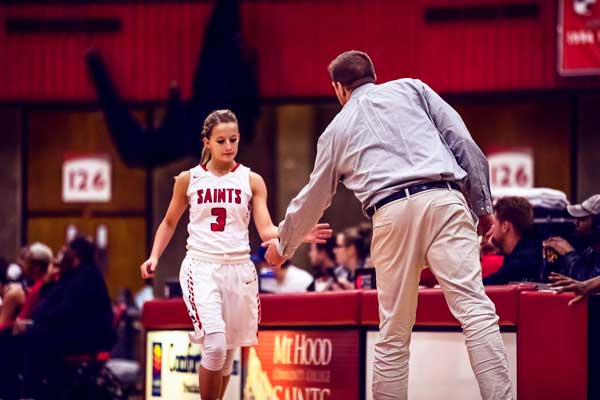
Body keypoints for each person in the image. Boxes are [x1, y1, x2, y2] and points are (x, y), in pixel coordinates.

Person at [264, 50, 512, 399]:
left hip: (390, 210)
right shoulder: (413, 89)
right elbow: (463, 142)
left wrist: (281, 247)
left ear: (339, 89)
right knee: (476, 311)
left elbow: (313, 198)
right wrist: (483, 204)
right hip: (445, 197)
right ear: (375, 75)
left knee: (394, 333)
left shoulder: (335, 131)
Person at [139, 109, 331, 400]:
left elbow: (266, 230)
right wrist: (154, 256)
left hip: (239, 270)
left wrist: (297, 234)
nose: (228, 146)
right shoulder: (188, 180)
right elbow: (168, 222)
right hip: (202, 266)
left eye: (233, 139)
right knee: (215, 344)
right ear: (207, 142)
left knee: (228, 354)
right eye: (221, 141)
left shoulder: (252, 180)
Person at [20, 236, 115, 398]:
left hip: (90, 336)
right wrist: (48, 282)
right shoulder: (72, 274)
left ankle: (35, 392)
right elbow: (50, 302)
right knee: (27, 334)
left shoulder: (87, 275)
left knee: (34, 337)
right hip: (76, 330)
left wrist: (36, 323)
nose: (62, 253)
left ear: (76, 254)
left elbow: (68, 310)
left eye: (66, 250)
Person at [483, 197, 544, 285]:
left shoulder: (519, 263)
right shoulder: (532, 250)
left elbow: (479, 288)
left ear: (505, 226)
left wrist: (477, 249)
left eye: (494, 223)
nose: (492, 228)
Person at [543, 194, 600, 281]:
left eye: (582, 219)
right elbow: (555, 281)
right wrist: (553, 261)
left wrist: (568, 254)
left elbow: (590, 285)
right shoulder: (590, 252)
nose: (576, 223)